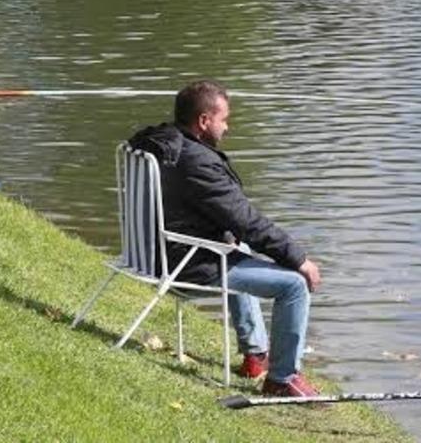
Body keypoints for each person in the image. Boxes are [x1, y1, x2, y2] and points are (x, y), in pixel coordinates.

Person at [128, 80, 323, 398]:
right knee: (294, 286)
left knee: (238, 245)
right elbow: (248, 221)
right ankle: (282, 379)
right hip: (184, 264)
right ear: (204, 121)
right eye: (224, 119)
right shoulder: (197, 162)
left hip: (151, 251)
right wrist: (299, 259)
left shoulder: (161, 143)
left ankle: (256, 356)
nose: (227, 127)